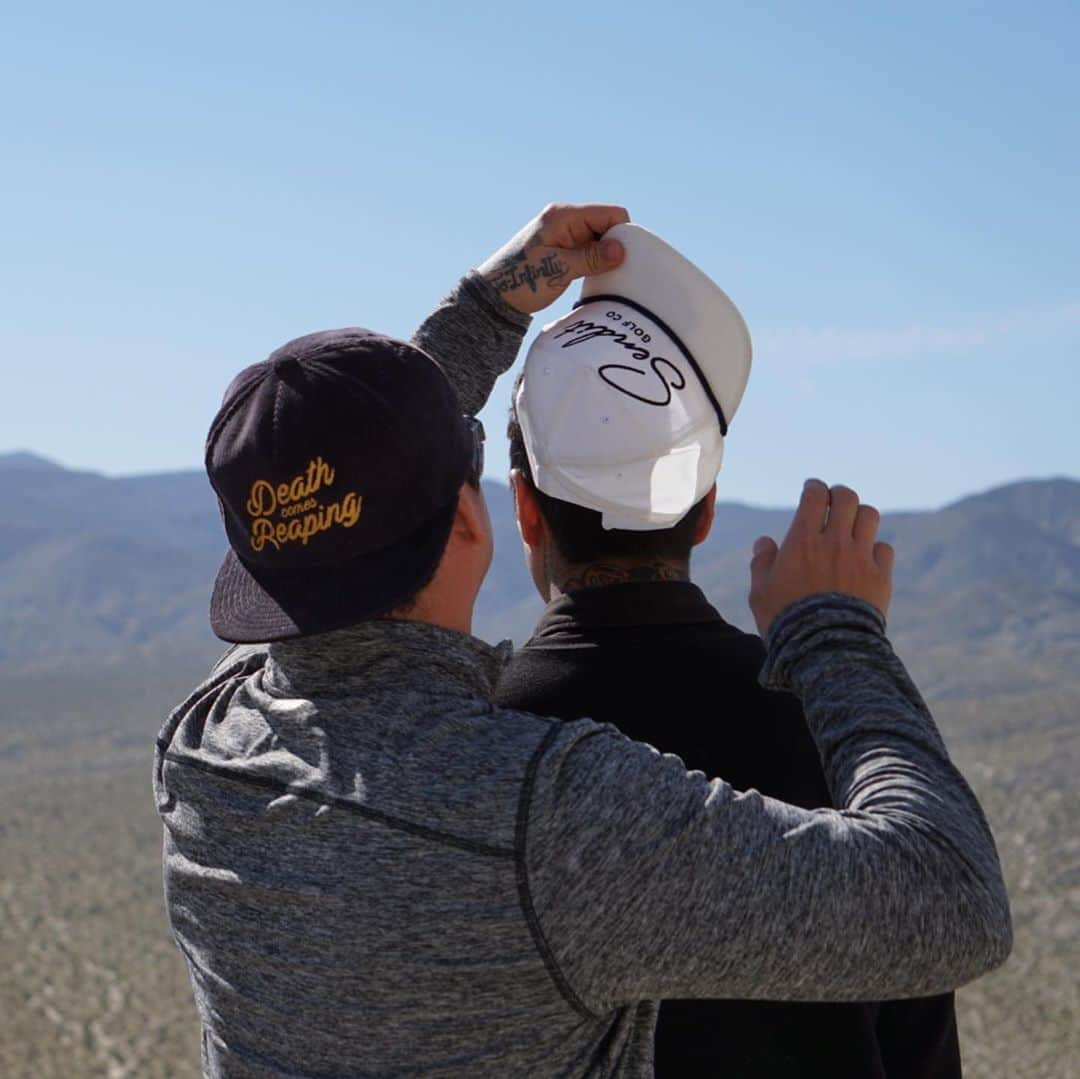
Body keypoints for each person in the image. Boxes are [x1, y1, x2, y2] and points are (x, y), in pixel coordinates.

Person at [154, 203, 1011, 1078]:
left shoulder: (203, 748)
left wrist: (483, 318)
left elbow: (319, 573)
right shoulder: (546, 815)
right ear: (471, 519)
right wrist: (832, 630)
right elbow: (954, 901)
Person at [494, 222, 963, 1077]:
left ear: (524, 510)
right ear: (706, 508)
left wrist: (478, 311)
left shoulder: (467, 745)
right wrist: (839, 643)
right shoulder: (842, 738)